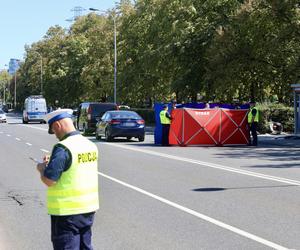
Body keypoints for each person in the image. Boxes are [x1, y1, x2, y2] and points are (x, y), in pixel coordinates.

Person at [36, 109, 99, 250]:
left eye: (54, 130)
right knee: (85, 247)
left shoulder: (63, 148)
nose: (56, 136)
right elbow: (75, 170)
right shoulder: (90, 145)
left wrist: (41, 169)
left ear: (58, 125)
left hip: (66, 213)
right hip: (88, 210)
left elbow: (49, 180)